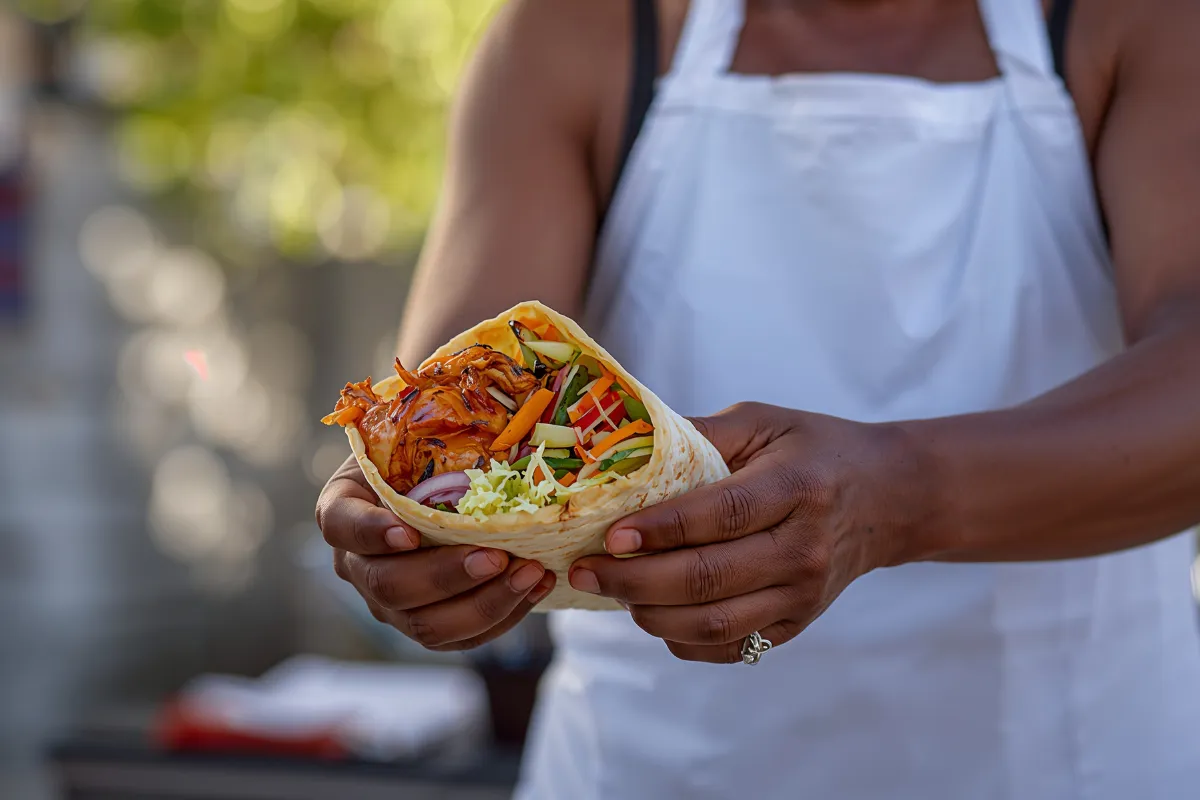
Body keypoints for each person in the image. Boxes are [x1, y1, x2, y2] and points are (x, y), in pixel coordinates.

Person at [316, 0, 1200, 796]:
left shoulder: (1135, 23)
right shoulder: (577, 32)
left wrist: (898, 496)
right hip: (649, 767)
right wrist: (414, 526)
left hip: (1079, 760)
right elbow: (459, 389)